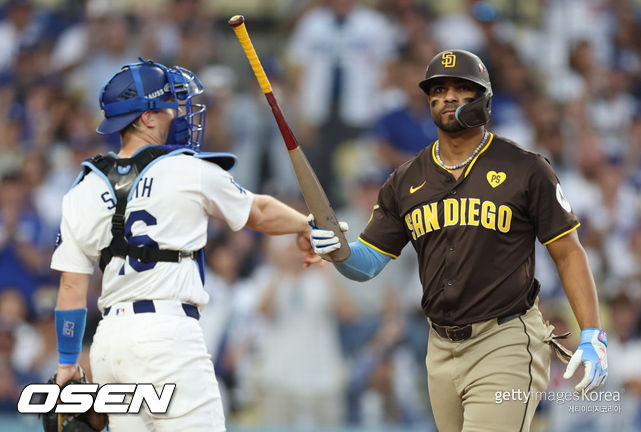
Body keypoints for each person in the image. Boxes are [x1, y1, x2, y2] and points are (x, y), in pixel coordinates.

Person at [309, 49, 608, 431]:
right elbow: (368, 263)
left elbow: (568, 253)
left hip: (505, 340)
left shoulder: (525, 168)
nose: (448, 96)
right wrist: (338, 251)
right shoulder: (405, 179)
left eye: (461, 88)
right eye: (438, 88)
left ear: (483, 99)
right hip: (440, 347)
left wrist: (593, 333)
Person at [50, 59, 318, 431]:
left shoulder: (82, 188)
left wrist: (67, 365)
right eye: (171, 105)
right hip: (167, 337)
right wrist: (304, 223)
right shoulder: (186, 169)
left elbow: (71, 287)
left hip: (110, 344)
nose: (180, 112)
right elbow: (256, 210)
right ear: (146, 118)